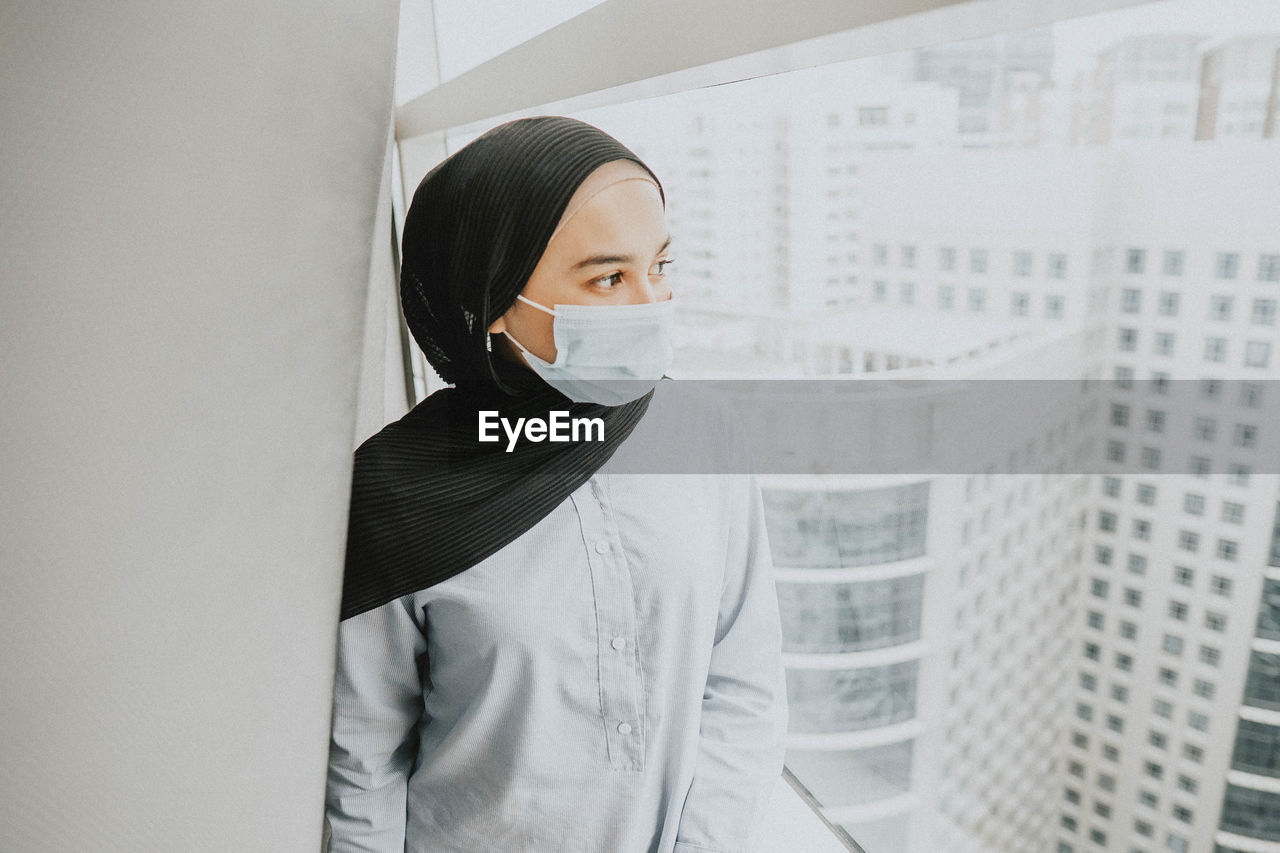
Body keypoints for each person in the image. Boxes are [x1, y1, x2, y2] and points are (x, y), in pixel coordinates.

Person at [325, 116, 787, 853]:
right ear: (495, 299)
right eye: (608, 277)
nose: (651, 304)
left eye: (660, 266)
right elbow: (363, 760)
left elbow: (743, 678)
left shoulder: (703, 431)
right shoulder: (392, 492)